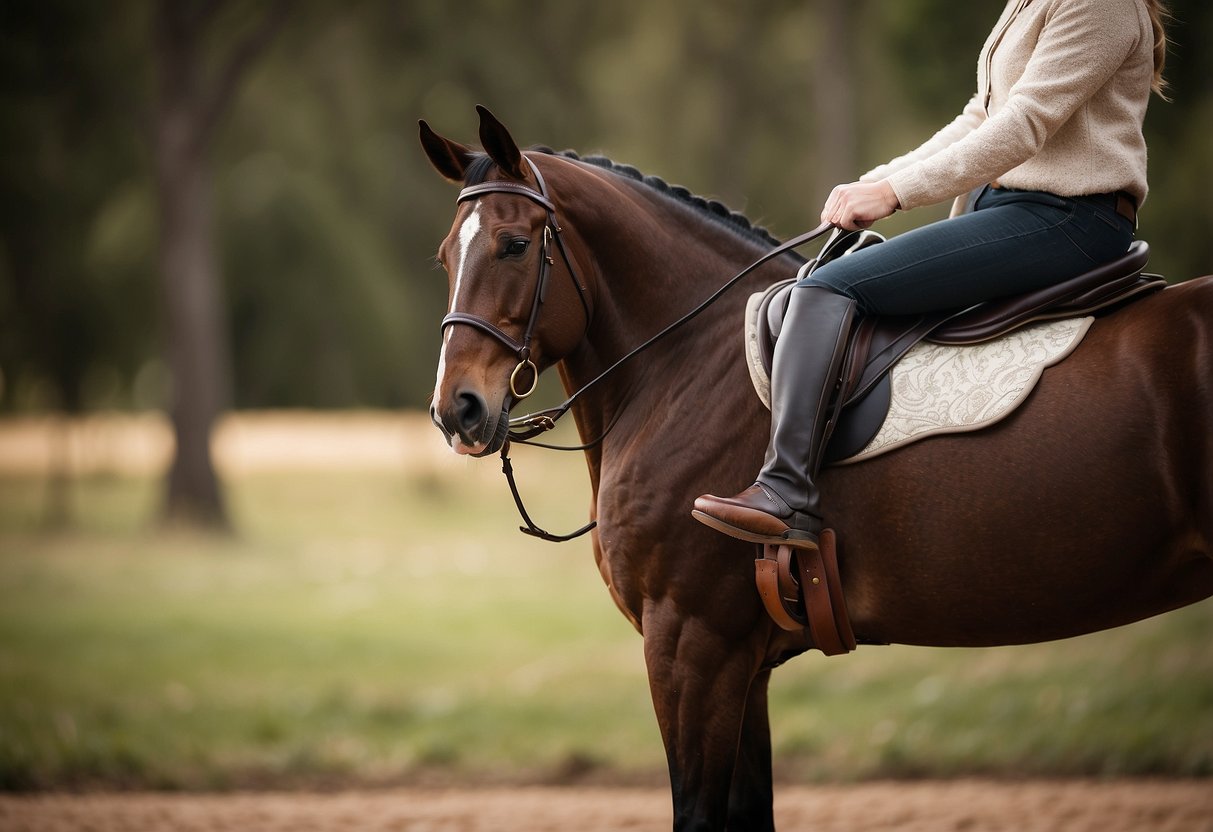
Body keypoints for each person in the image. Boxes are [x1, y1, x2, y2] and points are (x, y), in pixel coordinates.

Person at [692, 0, 1170, 553]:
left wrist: (895, 195)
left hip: (1067, 217)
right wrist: (874, 184)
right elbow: (982, 115)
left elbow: (1024, 124)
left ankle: (785, 492)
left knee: (828, 287)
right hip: (1009, 209)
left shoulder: (1101, 5)